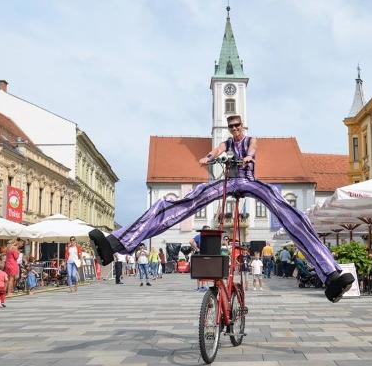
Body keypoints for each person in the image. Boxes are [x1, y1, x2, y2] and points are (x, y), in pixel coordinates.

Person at [89, 114, 354, 302]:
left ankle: (331, 274)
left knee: (290, 214)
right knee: (179, 204)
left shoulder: (251, 140)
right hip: (227, 181)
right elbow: (216, 151)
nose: (234, 129)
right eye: (231, 126)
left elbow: (252, 148)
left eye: (237, 126)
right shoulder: (227, 143)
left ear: (243, 126)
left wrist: (248, 157)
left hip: (250, 182)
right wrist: (207, 158)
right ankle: (115, 244)